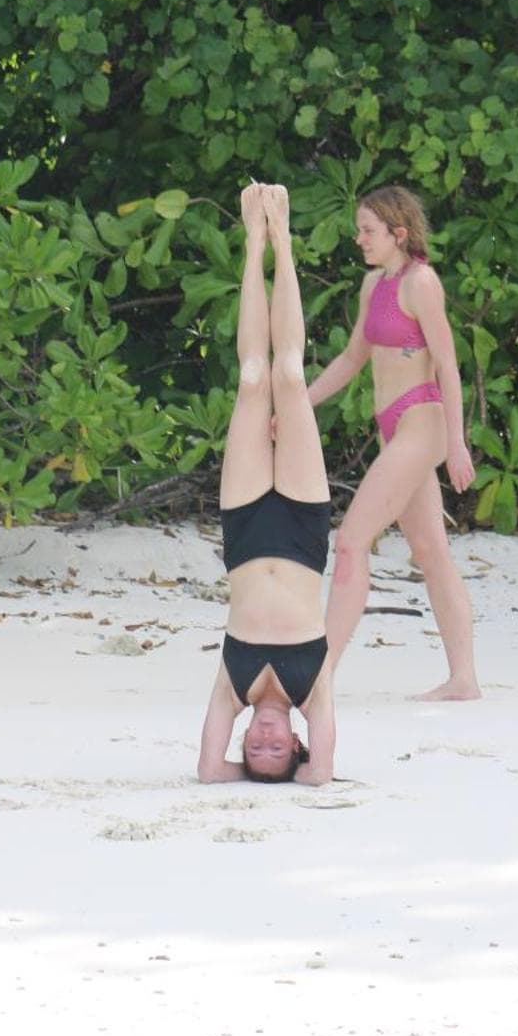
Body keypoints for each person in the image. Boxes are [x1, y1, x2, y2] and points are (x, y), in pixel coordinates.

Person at [307, 184, 481, 701]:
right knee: (431, 553)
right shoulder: (373, 284)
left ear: (398, 233)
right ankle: (464, 680)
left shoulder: (421, 282)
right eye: (358, 230)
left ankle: (319, 675)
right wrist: (298, 404)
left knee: (351, 541)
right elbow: (351, 358)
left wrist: (457, 443)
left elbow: (447, 364)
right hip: (395, 429)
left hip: (422, 423)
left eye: (368, 230)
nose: (359, 239)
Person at [197, 183, 337, 785]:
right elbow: (321, 776)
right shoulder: (314, 689)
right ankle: (284, 236)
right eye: (278, 751)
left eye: (254, 751)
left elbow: (209, 772)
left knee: (254, 377)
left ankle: (255, 240)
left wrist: (245, 774)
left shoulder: (233, 686)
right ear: (297, 743)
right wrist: (302, 773)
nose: (264, 742)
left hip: (247, 532)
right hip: (304, 533)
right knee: (290, 375)